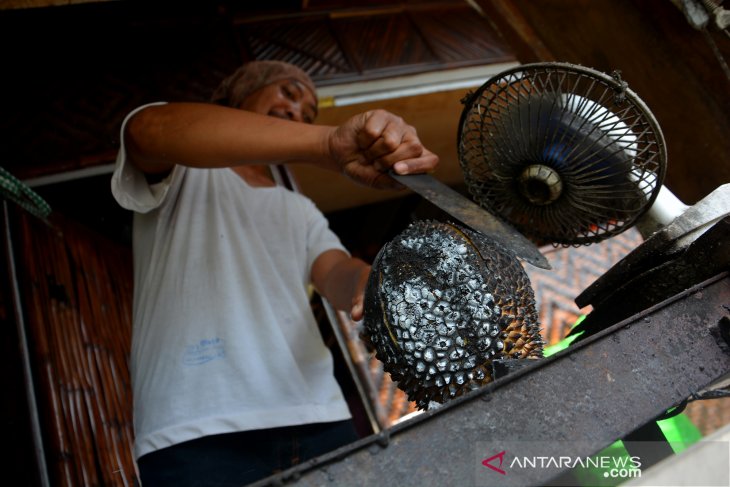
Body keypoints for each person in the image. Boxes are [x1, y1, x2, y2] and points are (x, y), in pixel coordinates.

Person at [110, 60, 438, 486]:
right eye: (287, 92)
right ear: (237, 94)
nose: (297, 110)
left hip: (318, 418)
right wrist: (326, 142)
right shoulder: (183, 171)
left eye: (307, 112)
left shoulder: (297, 209)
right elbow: (146, 131)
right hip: (194, 428)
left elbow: (336, 271)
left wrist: (373, 287)